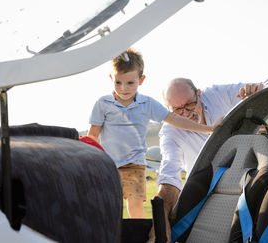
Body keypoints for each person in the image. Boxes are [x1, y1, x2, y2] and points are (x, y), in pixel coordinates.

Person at [87, 49, 222, 218]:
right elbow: (93, 136)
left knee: (135, 206)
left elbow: (177, 120)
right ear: (111, 78)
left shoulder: (147, 104)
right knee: (107, 205)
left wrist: (209, 129)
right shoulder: (103, 104)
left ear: (141, 80)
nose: (123, 88)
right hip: (108, 163)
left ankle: (140, 235)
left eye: (130, 83)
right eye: (118, 82)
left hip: (133, 163)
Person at [147, 76, 268, 242]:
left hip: (248, 182)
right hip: (209, 193)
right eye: (177, 110)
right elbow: (169, 174)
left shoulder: (217, 95)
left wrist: (260, 87)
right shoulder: (170, 132)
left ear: (199, 94)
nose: (186, 114)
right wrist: (161, 218)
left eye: (189, 104)